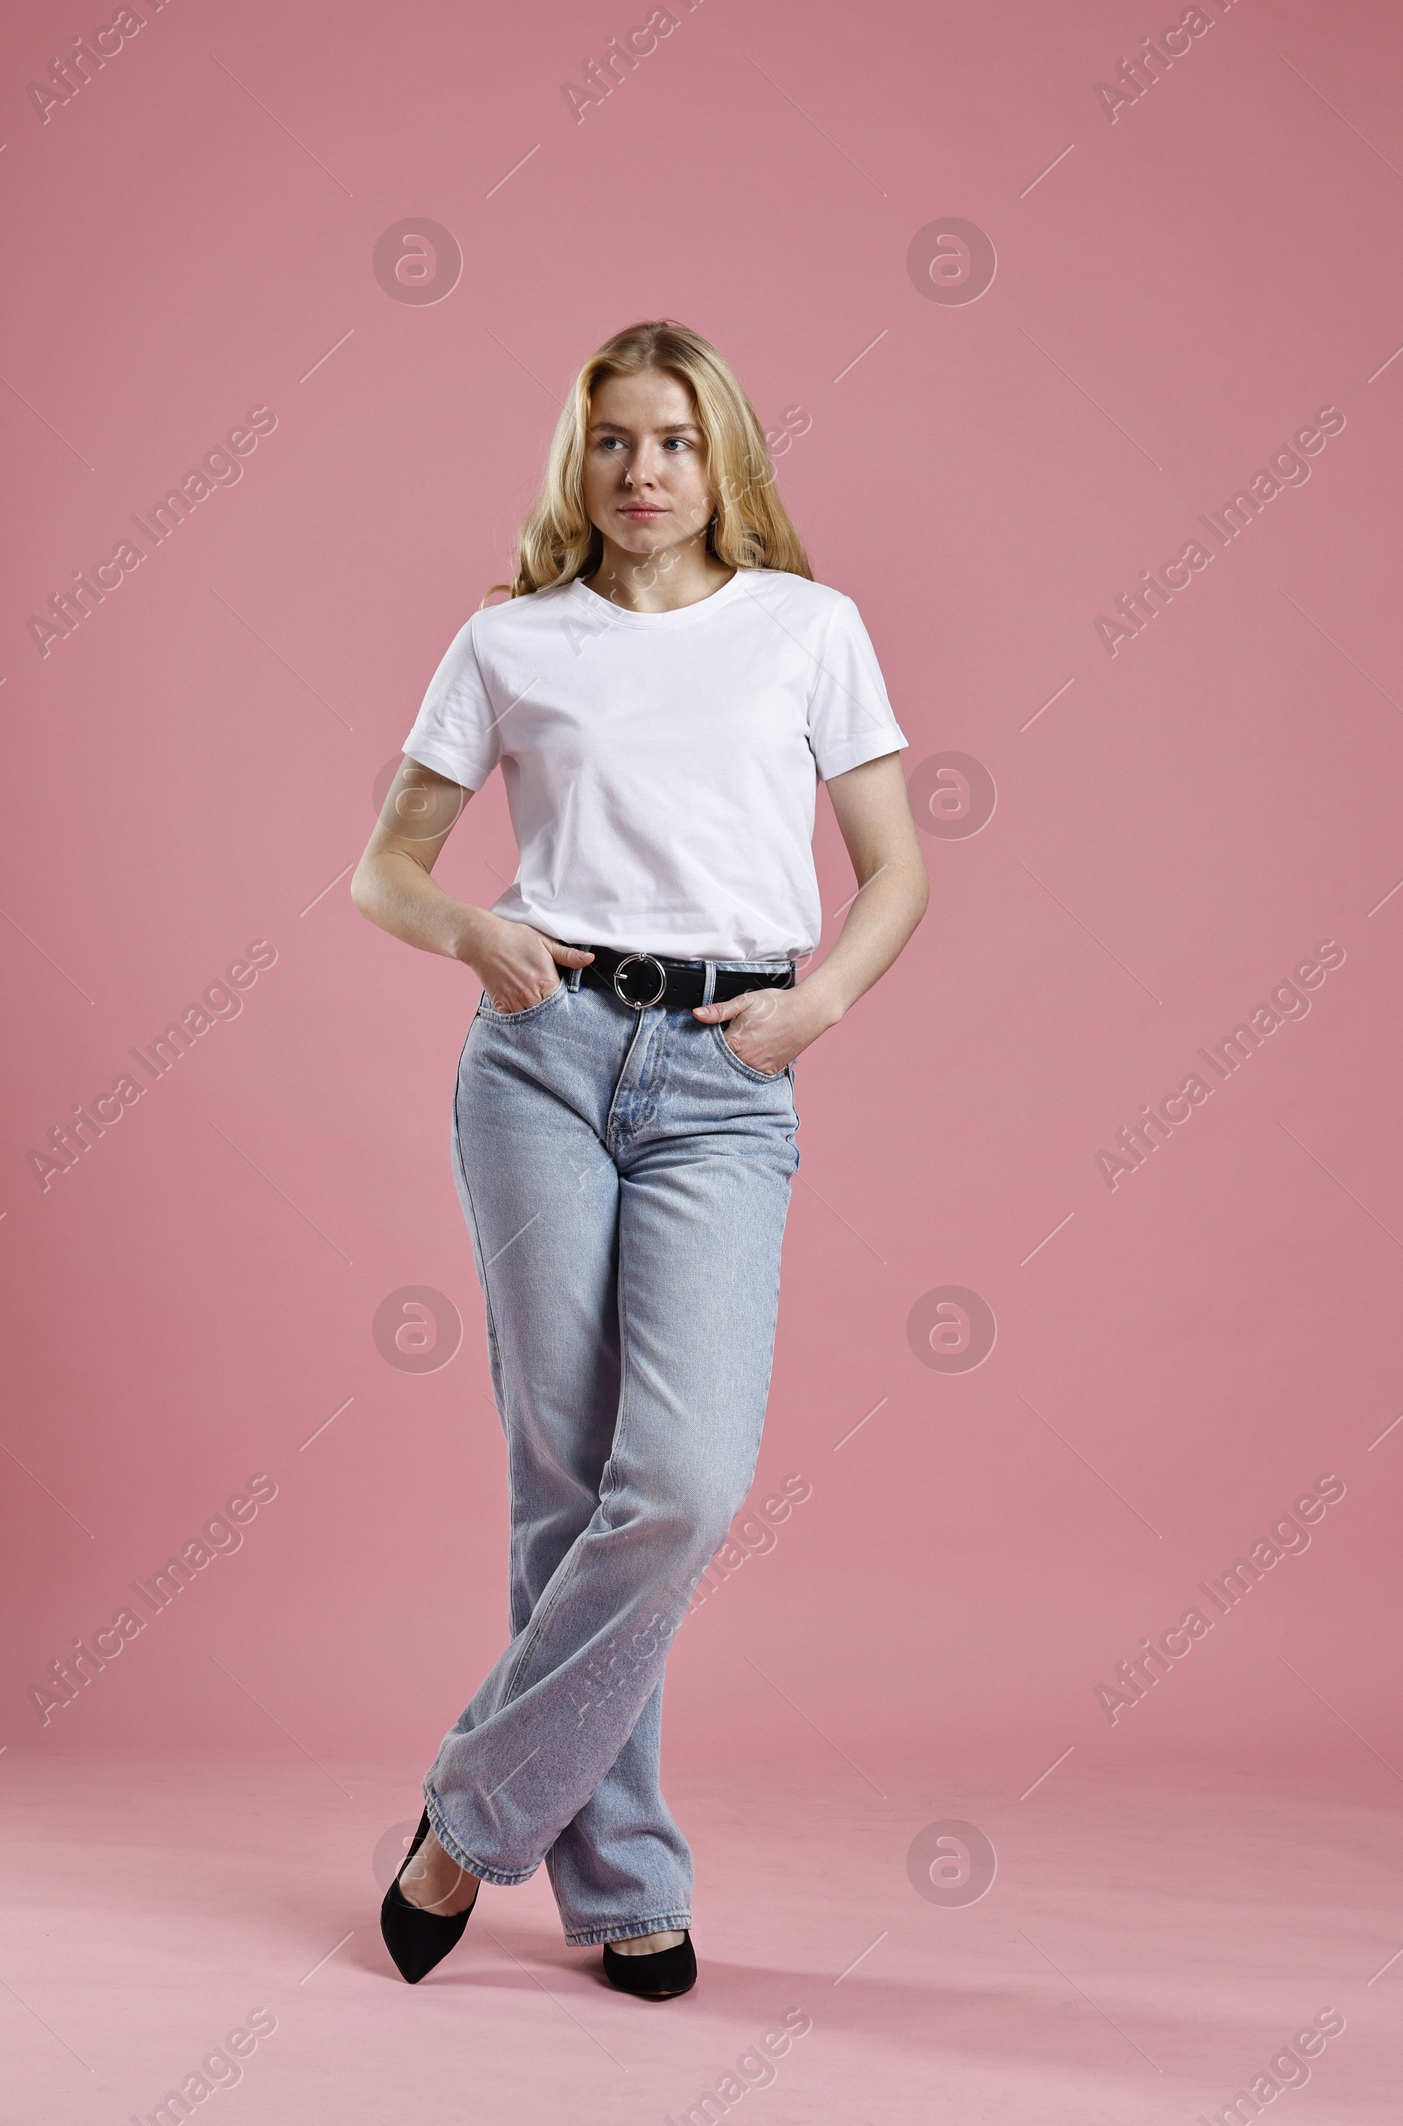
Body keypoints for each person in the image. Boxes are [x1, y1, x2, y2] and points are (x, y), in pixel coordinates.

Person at [351, 318, 928, 1999]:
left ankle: (466, 1822)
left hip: (727, 1076)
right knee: (563, 1474)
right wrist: (475, 931)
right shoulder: (511, 639)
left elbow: (894, 865)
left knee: (674, 1479)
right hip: (544, 1059)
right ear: (576, 461)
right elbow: (384, 868)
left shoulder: (809, 630)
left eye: (674, 440)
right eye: (613, 441)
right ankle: (626, 1887)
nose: (643, 472)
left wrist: (812, 1006)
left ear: (723, 455)